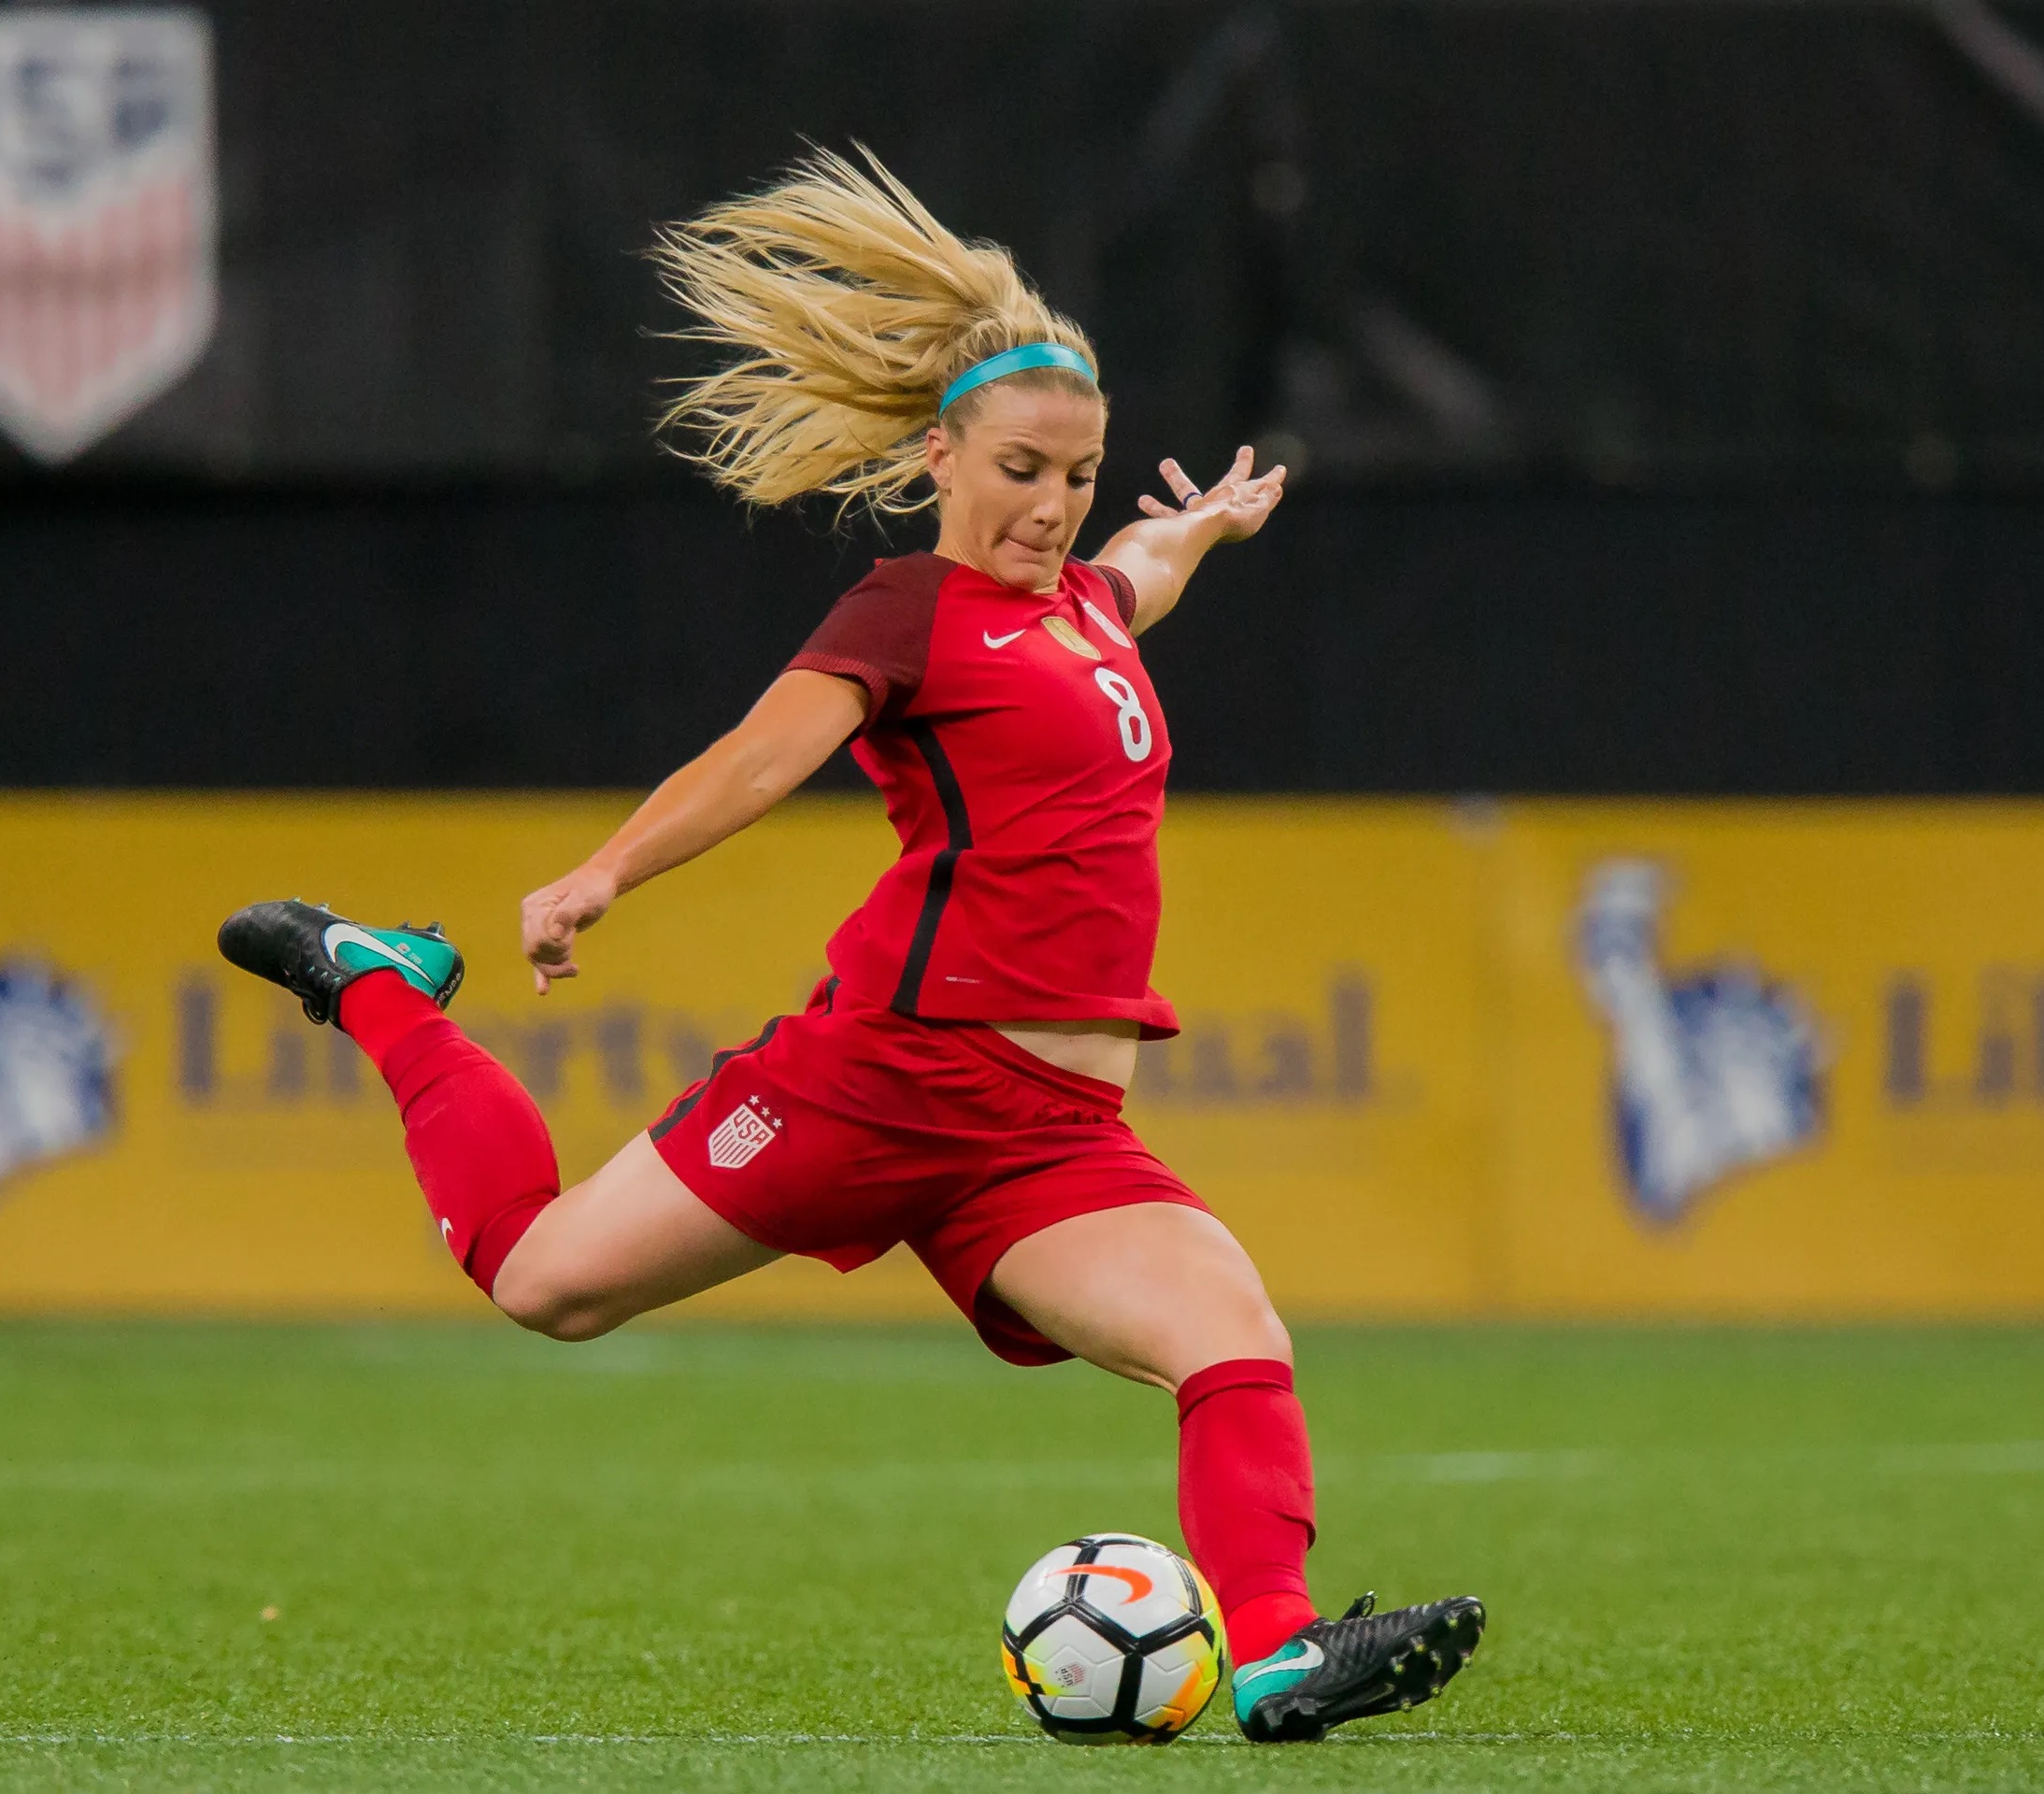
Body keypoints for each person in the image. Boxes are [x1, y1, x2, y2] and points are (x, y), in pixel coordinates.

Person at [218, 148, 1481, 1744]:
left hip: (1047, 1140)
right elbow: (758, 757)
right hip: (884, 1078)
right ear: (943, 452)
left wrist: (1201, 532)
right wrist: (604, 873)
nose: (1054, 505)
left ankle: (1284, 1652)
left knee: (1232, 1339)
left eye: (1080, 474)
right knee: (545, 1283)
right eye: (1022, 469)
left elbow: (1133, 578)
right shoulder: (908, 615)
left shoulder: (1087, 607)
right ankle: (383, 989)